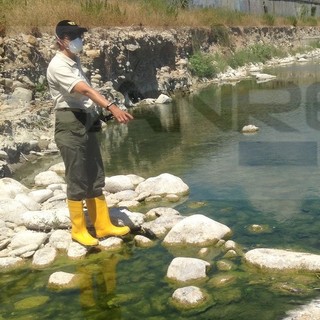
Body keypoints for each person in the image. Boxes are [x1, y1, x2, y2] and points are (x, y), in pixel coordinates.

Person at [46, 20, 134, 246]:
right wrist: (111, 106)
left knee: (95, 174)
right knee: (77, 176)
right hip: (69, 122)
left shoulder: (73, 61)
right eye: (72, 36)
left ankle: (102, 225)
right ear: (61, 40)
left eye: (79, 36)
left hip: (85, 119)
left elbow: (86, 95)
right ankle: (79, 230)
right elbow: (83, 89)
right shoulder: (58, 65)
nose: (78, 40)